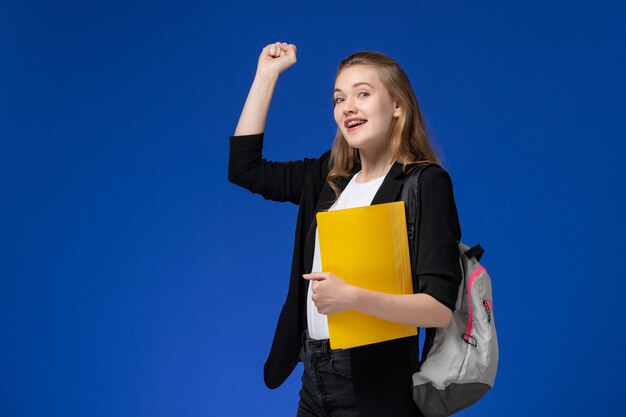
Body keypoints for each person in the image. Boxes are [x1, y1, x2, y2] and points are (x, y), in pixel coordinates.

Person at [228, 42, 462, 417]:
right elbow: (245, 170)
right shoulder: (328, 177)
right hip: (315, 377)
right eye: (339, 99)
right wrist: (266, 76)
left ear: (397, 106)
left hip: (373, 386)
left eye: (363, 94)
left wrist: (354, 299)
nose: (347, 106)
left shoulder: (423, 183)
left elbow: (438, 309)